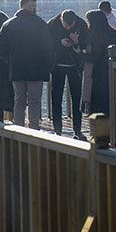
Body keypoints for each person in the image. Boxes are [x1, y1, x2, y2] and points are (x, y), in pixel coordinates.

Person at [0, 0, 53, 129]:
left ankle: (19, 130)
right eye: (33, 6)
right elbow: (49, 48)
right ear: (28, 6)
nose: (35, 9)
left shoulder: (8, 24)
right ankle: (34, 130)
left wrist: (10, 61)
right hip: (37, 70)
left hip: (16, 70)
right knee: (34, 102)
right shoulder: (40, 24)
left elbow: (0, 49)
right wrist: (47, 65)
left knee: (19, 101)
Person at [47, 9, 88, 139]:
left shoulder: (81, 24)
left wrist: (76, 41)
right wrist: (60, 42)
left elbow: (86, 44)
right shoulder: (52, 24)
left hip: (75, 67)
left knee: (77, 99)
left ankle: (78, 130)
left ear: (75, 21)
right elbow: (47, 43)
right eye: (66, 25)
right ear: (61, 20)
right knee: (56, 98)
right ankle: (57, 130)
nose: (69, 27)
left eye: (71, 25)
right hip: (57, 66)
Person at [80, 10, 116, 115]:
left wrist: (79, 53)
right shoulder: (113, 34)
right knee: (108, 104)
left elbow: (94, 57)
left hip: (96, 75)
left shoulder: (95, 37)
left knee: (96, 105)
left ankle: (98, 128)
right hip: (111, 72)